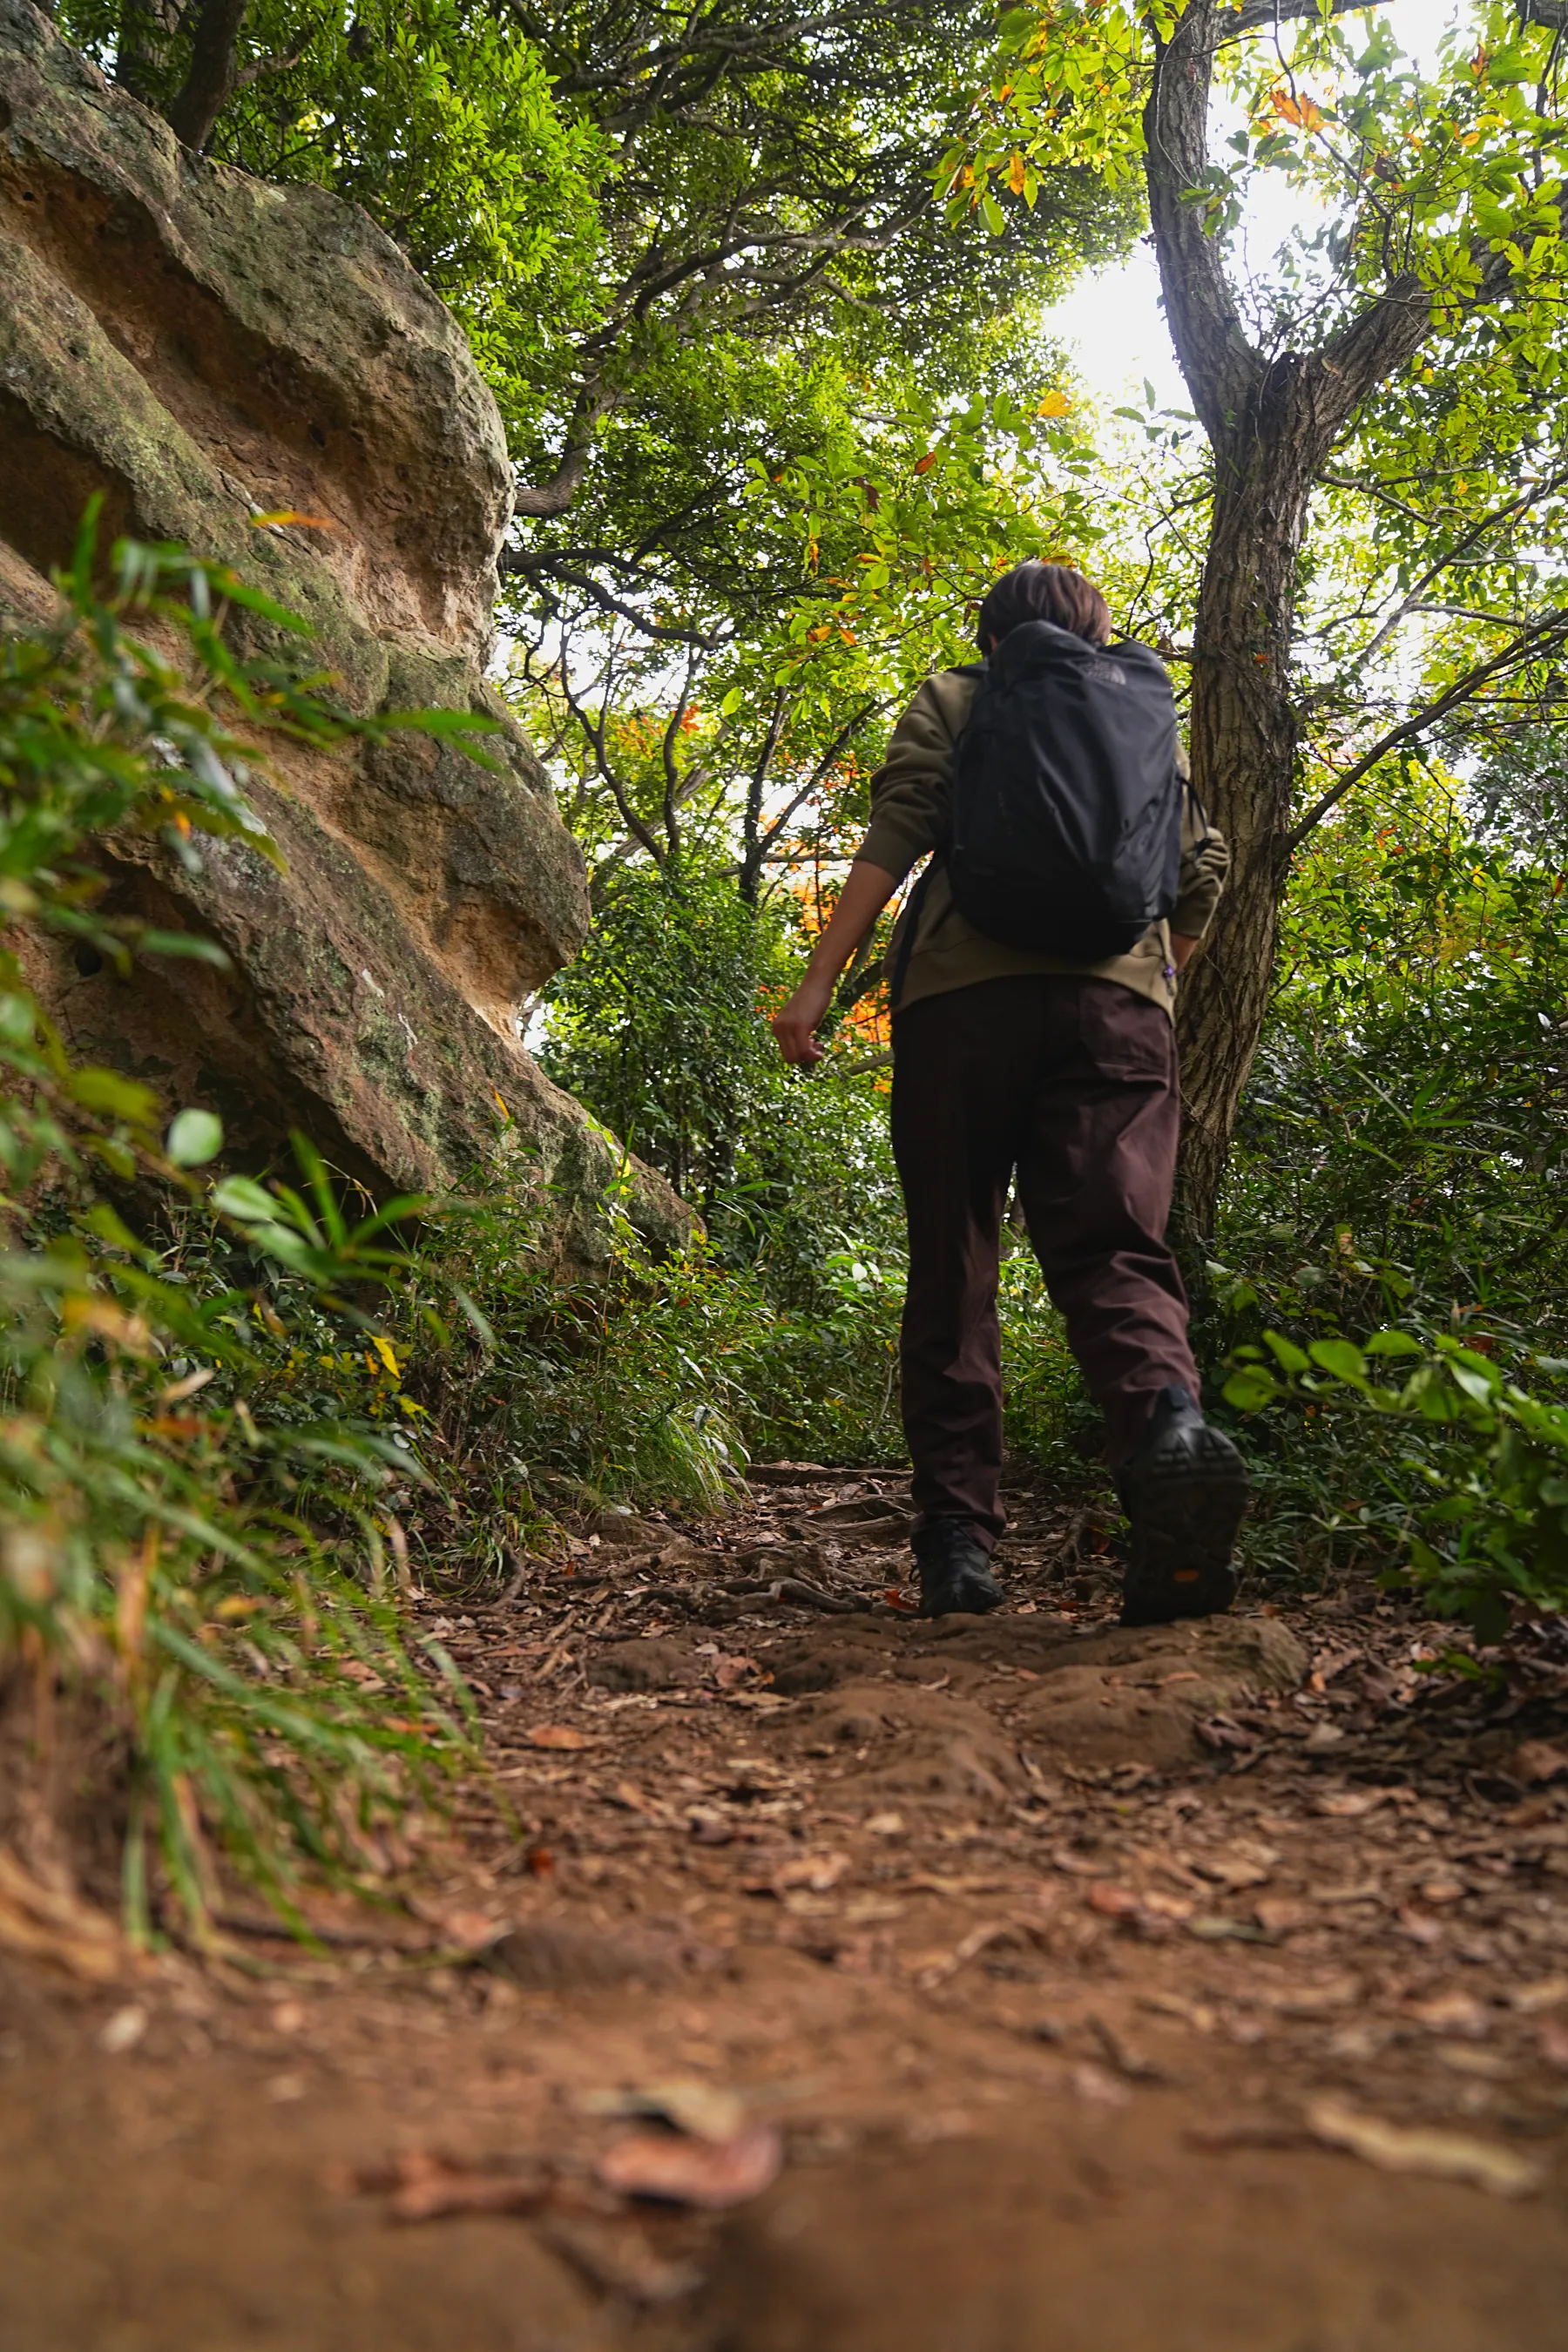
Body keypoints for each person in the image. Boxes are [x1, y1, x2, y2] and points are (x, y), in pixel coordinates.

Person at [771, 560, 1248, 1625]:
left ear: (993, 637)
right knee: (1118, 1249)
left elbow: (898, 833)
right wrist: (1158, 974)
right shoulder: (1141, 710)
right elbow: (1202, 865)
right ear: (1098, 631)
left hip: (961, 1009)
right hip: (1116, 1016)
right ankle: (1169, 1430)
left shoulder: (957, 697)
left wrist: (816, 985)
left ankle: (958, 1549)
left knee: (954, 1257)